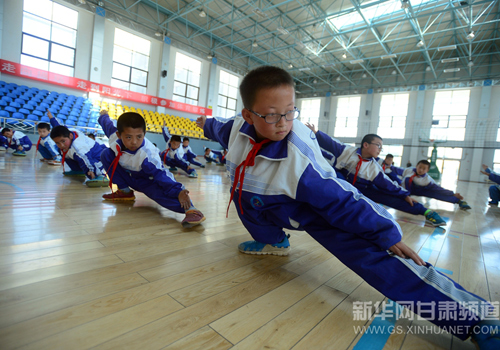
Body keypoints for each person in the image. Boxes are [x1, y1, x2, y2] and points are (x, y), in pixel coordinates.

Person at [196, 65, 499, 348]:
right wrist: (203, 123)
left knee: (371, 257)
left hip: (310, 206)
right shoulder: (235, 128)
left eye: (290, 113)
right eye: (273, 115)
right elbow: (216, 126)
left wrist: (386, 235)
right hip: (259, 201)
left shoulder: (299, 161)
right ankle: (274, 241)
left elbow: (343, 200)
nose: (284, 123)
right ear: (248, 116)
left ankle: (476, 319)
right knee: (248, 209)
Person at [308, 126, 446, 227]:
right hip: (343, 182)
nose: (381, 150)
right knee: (335, 177)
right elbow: (330, 142)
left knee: (393, 198)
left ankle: (427, 212)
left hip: (365, 188)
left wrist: (404, 194)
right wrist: (316, 133)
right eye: (378, 146)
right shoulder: (347, 151)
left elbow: (389, 185)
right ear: (366, 145)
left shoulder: (375, 168)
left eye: (381, 147)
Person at [98, 110, 205, 228]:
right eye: (128, 137)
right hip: (127, 175)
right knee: (106, 154)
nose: (134, 142)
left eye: (139, 137)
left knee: (160, 194)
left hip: (146, 180)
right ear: (119, 135)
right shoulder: (114, 136)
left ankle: (191, 210)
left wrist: (179, 191)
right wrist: (104, 115)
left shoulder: (148, 155)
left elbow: (162, 175)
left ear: (144, 133)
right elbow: (107, 124)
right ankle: (125, 192)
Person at [48, 111, 108, 186]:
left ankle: (100, 176)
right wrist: (51, 118)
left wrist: (91, 171)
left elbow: (86, 159)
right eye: (58, 143)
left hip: (98, 155)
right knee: (63, 151)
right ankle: (78, 170)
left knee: (86, 162)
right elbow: (58, 126)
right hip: (87, 154)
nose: (61, 145)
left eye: (63, 141)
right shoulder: (67, 131)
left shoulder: (78, 147)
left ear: (70, 136)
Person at [402, 160, 471, 210]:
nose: (421, 170)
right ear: (416, 166)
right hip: (410, 188)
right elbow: (395, 170)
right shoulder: (409, 171)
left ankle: (459, 201)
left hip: (423, 190)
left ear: (427, 170)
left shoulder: (428, 180)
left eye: (424, 169)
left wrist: (452, 194)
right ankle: (405, 196)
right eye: (420, 167)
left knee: (437, 194)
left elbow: (439, 189)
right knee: (406, 180)